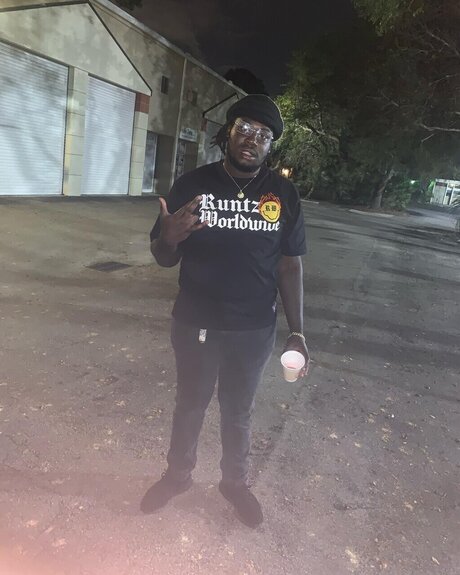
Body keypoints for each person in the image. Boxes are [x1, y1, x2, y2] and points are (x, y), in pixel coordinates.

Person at [141, 94, 309, 528]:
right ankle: (177, 476)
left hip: (253, 328)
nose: (252, 139)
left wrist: (297, 332)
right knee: (190, 405)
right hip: (195, 321)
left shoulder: (283, 194)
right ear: (228, 133)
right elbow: (164, 257)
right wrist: (169, 237)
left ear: (270, 145)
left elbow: (289, 266)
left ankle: (234, 483)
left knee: (238, 411)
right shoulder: (193, 184)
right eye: (244, 128)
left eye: (263, 134)